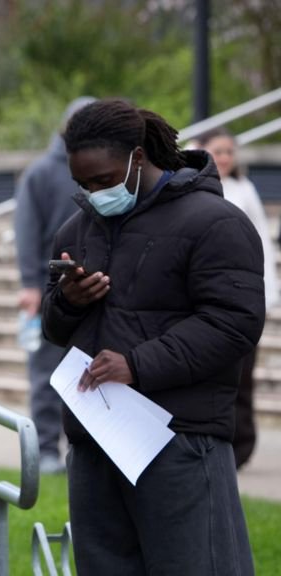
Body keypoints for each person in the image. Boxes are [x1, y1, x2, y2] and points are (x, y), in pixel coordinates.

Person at [43, 98, 263, 575]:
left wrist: (138, 364)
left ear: (138, 157)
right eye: (83, 184)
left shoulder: (215, 222)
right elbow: (54, 327)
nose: (94, 192)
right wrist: (68, 302)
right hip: (95, 443)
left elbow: (234, 322)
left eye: (103, 180)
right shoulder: (77, 229)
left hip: (179, 440)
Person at [13, 96, 94, 474]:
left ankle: (88, 450)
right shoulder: (41, 173)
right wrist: (30, 285)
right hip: (48, 289)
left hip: (94, 287)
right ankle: (46, 450)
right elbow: (26, 233)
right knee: (46, 371)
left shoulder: (105, 169)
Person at [194, 127, 277, 469]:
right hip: (207, 299)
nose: (225, 157)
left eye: (230, 151)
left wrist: (266, 294)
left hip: (243, 298)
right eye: (218, 150)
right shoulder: (194, 188)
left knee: (243, 378)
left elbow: (262, 244)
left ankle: (241, 447)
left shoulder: (245, 189)